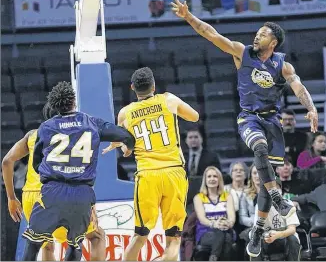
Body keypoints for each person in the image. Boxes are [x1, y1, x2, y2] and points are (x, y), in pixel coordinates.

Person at [171, 0, 318, 257]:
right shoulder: (242, 52)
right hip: (249, 117)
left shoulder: (283, 65)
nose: (256, 36)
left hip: (272, 120)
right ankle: (277, 198)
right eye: (257, 32)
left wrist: (311, 108)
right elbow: (212, 34)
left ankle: (259, 231)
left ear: (272, 43)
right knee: (259, 148)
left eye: (262, 34)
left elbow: (299, 86)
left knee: (264, 181)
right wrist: (189, 16)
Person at [20, 82, 135, 261]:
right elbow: (124, 135)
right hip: (82, 193)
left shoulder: (46, 128)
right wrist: (128, 147)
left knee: (34, 243)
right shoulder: (92, 123)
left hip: (53, 191)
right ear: (74, 100)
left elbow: (36, 164)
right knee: (76, 244)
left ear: (55, 105)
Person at [103, 67, 199, 261]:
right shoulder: (169, 100)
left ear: (132, 87)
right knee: (173, 238)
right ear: (154, 86)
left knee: (139, 235)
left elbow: (127, 149)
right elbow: (194, 117)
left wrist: (122, 146)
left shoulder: (125, 113)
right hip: (174, 173)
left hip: (147, 176)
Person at [2, 103, 107, 261]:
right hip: (59, 193)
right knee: (97, 236)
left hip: (31, 197)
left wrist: (11, 198)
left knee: (46, 244)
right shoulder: (76, 135)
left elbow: (7, 161)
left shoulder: (32, 135)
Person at [194, 166, 236, 261]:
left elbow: (232, 218)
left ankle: (213, 257)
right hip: (205, 232)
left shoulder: (227, 196)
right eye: (209, 176)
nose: (212, 179)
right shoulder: (198, 197)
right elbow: (202, 219)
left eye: (215, 176)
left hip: (225, 229)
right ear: (205, 180)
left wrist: (228, 223)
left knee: (224, 235)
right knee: (226, 239)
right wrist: (215, 224)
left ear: (219, 179)